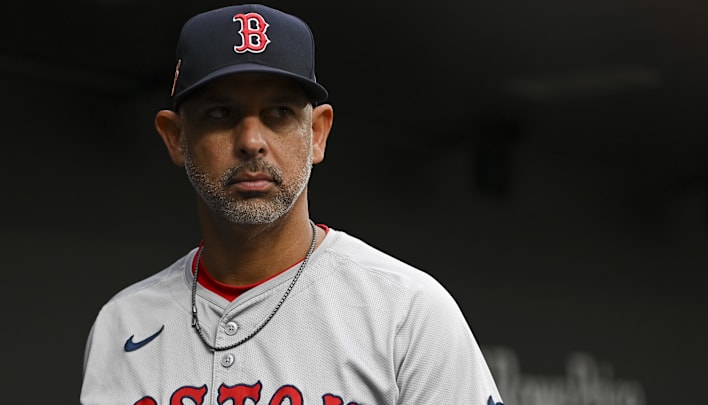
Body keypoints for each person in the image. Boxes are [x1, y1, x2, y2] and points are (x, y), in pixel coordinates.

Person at [80, 4, 504, 405]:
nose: (251, 142)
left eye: (279, 113)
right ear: (176, 137)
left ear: (317, 133)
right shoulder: (121, 324)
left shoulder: (406, 312)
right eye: (220, 113)